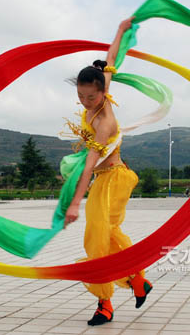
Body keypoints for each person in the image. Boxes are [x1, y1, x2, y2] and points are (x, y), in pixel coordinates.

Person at [63, 16, 153, 326]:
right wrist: (120, 29)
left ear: (103, 92)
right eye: (81, 96)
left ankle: (105, 303)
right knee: (105, 233)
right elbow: (112, 57)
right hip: (108, 179)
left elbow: (91, 163)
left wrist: (75, 203)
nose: (86, 102)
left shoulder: (104, 122)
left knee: (98, 236)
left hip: (114, 178)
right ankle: (137, 280)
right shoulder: (101, 84)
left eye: (91, 97)